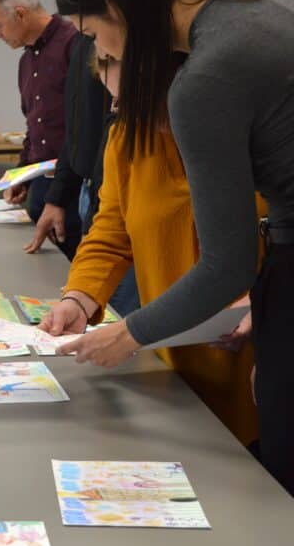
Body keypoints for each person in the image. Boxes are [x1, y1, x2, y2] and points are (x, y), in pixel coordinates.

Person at [51, 0, 294, 494]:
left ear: (118, 9)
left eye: (94, 34)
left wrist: (128, 334)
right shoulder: (272, 10)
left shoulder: (205, 80)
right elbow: (113, 226)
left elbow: (229, 265)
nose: (98, 51)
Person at [40, 55, 259, 445]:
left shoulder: (253, 134)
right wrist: (79, 298)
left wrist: (262, 300)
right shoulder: (127, 139)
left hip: (259, 363)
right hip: (173, 359)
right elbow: (110, 233)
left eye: (128, 100)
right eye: (113, 100)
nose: (118, 111)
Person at [26, 0, 140, 316]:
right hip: (101, 198)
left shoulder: (133, 33)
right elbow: (80, 127)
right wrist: (60, 195)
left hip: (134, 208)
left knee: (123, 323)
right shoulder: (86, 30)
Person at [0, 0, 82, 258]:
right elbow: (36, 129)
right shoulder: (26, 61)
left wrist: (58, 198)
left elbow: (81, 130)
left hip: (72, 193)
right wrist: (21, 175)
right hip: (42, 190)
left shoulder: (74, 45)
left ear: (20, 14)